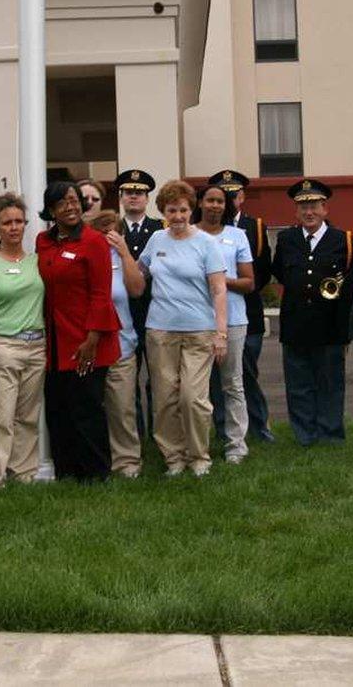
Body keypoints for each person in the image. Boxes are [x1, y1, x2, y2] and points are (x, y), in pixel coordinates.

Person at [138, 180, 227, 477]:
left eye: (183, 210)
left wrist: (221, 333)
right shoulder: (156, 241)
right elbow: (138, 276)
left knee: (193, 398)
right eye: (171, 210)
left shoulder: (206, 243)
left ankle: (198, 455)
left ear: (192, 210)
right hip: (160, 331)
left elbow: (218, 290)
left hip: (199, 332)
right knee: (164, 398)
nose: (177, 216)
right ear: (163, 211)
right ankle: (173, 457)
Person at [36, 181, 121, 481]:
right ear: (51, 210)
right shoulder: (42, 241)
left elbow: (102, 293)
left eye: (74, 200)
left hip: (87, 339)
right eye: (62, 203)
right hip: (55, 341)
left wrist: (93, 338)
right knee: (59, 408)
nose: (70, 207)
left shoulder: (94, 241)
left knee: (87, 408)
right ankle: (66, 471)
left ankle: (96, 474)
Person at [0, 192, 45, 488]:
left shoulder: (36, 262)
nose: (13, 227)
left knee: (27, 416)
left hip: (36, 345)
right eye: (7, 223)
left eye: (18, 221)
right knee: (1, 419)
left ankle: (24, 473)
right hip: (2, 345)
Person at [271, 179, 353, 445]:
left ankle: (330, 434)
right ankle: (304, 435)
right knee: (298, 385)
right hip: (295, 324)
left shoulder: (343, 240)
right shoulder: (287, 239)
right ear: (296, 211)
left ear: (325, 209)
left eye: (314, 206)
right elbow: (281, 273)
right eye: (303, 207)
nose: (309, 212)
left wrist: (346, 330)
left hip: (330, 326)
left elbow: (348, 283)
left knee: (330, 383)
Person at [208, 169, 274, 443]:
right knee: (216, 382)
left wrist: (224, 282)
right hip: (209, 316)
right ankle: (223, 431)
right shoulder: (200, 230)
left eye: (234, 195)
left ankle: (259, 429)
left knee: (245, 376)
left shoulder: (253, 227)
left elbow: (262, 274)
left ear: (242, 197)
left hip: (245, 312)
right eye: (224, 195)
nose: (230, 200)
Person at [196, 185, 255, 464]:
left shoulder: (238, 236)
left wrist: (218, 280)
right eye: (210, 200)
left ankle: (236, 445)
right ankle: (200, 445)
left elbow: (248, 282)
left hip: (232, 321)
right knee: (198, 389)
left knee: (232, 385)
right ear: (200, 203)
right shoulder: (189, 233)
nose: (215, 205)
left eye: (220, 201)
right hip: (195, 322)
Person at [89, 209, 146, 477]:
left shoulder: (122, 258)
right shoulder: (86, 256)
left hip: (122, 346)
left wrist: (124, 253)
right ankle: (97, 460)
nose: (108, 236)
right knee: (91, 409)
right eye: (103, 231)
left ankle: (127, 463)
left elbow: (137, 289)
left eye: (114, 231)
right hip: (90, 346)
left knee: (122, 409)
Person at [116, 168, 162, 438]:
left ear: (147, 198)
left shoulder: (160, 230)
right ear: (121, 197)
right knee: (126, 382)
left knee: (157, 382)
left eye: (140, 193)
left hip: (155, 314)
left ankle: (158, 435)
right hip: (123, 317)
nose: (134, 197)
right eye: (129, 192)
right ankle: (134, 436)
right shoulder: (113, 229)